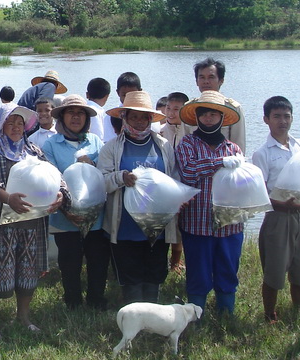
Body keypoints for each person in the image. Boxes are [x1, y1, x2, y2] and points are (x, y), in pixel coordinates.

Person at [0, 104, 66, 339]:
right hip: (3, 223)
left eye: (20, 123)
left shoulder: (33, 150)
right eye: (11, 122)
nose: (16, 127)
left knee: (28, 271)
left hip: (33, 222)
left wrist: (60, 193)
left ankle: (24, 316)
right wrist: (8, 197)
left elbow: (54, 174)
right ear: (1, 125)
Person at [99, 91, 178, 305]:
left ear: (151, 119)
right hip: (125, 225)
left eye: (144, 117)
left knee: (155, 270)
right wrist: (121, 177)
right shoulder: (112, 147)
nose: (139, 122)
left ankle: (153, 311)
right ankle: (133, 312)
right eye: (134, 116)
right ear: (124, 117)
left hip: (157, 224)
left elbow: (174, 178)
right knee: (130, 272)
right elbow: (102, 181)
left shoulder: (163, 146)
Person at [175, 90, 243, 314]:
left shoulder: (234, 149)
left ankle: (226, 314)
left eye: (214, 114)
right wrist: (219, 163)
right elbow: (188, 172)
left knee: (228, 270)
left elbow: (243, 185)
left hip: (230, 224)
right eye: (204, 114)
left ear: (222, 118)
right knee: (198, 272)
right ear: (197, 117)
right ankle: (195, 315)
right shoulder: (187, 144)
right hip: (196, 223)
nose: (209, 118)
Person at [251, 96, 300, 323]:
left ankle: (299, 311)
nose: (282, 121)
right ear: (266, 119)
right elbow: (259, 192)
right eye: (277, 116)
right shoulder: (263, 153)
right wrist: (281, 204)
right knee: (274, 273)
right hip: (279, 217)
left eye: (286, 116)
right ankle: (269, 314)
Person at [42, 95, 108, 310]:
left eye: (80, 113)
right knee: (69, 262)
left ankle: (97, 299)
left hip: (95, 215)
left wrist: (93, 164)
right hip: (64, 216)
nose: (76, 117)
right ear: (62, 117)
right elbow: (51, 178)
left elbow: (104, 174)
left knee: (97, 259)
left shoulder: (96, 142)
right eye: (71, 113)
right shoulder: (51, 144)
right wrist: (66, 210)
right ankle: (73, 301)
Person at [159, 91, 191, 273]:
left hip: (185, 185)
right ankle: (168, 263)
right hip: (166, 185)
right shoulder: (161, 131)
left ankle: (176, 262)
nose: (171, 113)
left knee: (181, 227)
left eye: (176, 109)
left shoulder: (191, 132)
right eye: (168, 109)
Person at [194, 57, 246, 152]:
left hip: (226, 163)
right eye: (202, 77)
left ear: (221, 80)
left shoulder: (233, 108)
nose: (206, 81)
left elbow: (239, 145)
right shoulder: (190, 108)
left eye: (211, 77)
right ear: (196, 81)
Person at [85, 77, 111, 142]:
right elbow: (98, 138)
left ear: (87, 95)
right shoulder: (96, 112)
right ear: (107, 96)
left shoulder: (84, 107)